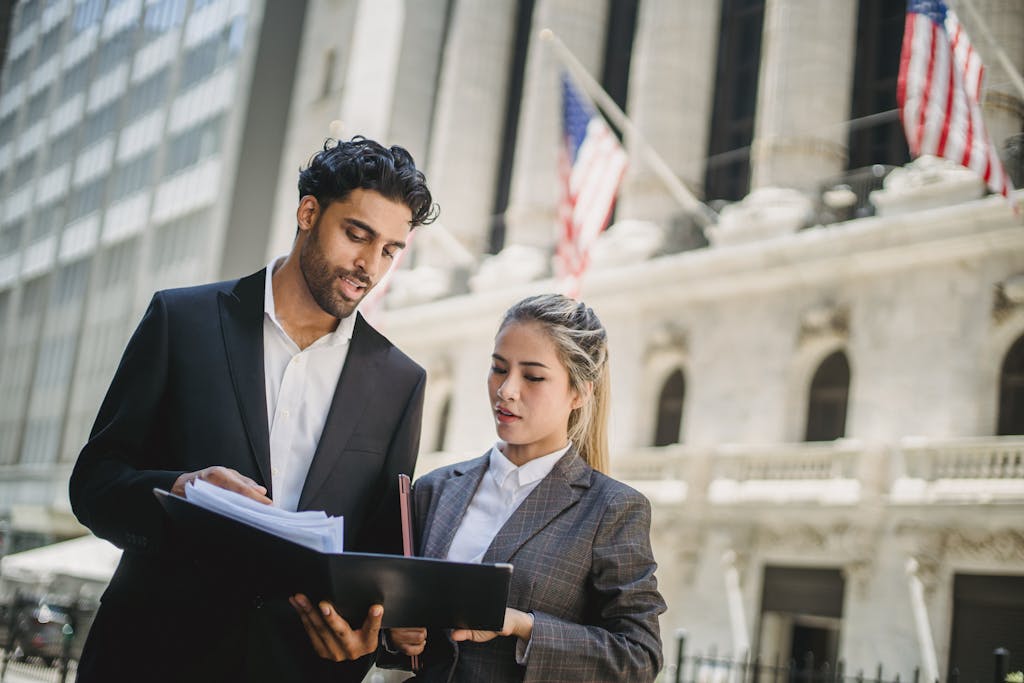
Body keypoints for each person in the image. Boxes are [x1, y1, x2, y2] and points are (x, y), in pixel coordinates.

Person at [68, 136, 437, 683]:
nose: (369, 265)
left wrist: (372, 636)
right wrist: (181, 490)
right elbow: (94, 484)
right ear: (308, 212)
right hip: (150, 655)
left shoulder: (401, 381)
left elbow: (378, 554)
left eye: (389, 250)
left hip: (297, 669)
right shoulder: (182, 321)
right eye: (357, 235)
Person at [297, 294, 667, 681]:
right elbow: (395, 639)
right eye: (498, 368)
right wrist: (398, 637)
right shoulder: (434, 490)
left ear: (580, 392)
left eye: (533, 376)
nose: (506, 390)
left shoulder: (612, 509)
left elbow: (639, 658)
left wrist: (521, 625)